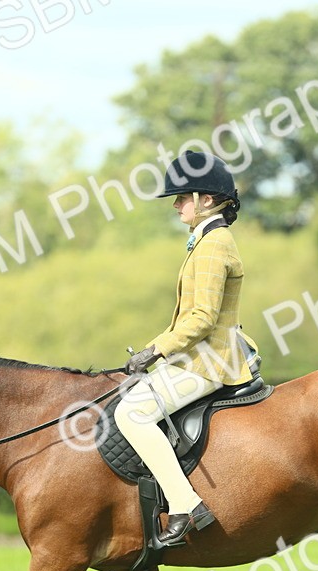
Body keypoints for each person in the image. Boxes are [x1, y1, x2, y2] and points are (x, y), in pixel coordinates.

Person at [116, 151, 259, 547]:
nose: (177, 205)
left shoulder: (214, 244)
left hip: (209, 362)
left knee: (133, 414)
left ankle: (185, 504)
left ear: (207, 200)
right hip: (195, 357)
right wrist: (155, 349)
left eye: (182, 197)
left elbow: (201, 319)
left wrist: (155, 351)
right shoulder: (206, 240)